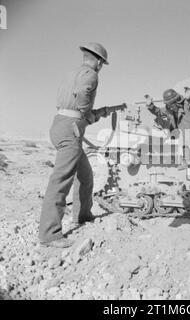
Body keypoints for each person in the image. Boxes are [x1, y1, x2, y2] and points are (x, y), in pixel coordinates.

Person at [39, 42, 110, 248]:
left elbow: (75, 105)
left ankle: (83, 215)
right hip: (70, 130)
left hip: (62, 124)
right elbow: (82, 96)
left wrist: (94, 113)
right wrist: (88, 111)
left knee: (85, 175)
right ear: (98, 61)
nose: (101, 67)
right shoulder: (90, 74)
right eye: (102, 63)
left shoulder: (73, 73)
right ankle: (49, 234)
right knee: (61, 181)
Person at [145, 88, 190, 179]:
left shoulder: (188, 105)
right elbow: (159, 112)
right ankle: (187, 160)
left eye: (171, 104)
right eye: (168, 104)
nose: (170, 107)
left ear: (177, 101)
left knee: (188, 139)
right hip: (185, 134)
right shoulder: (169, 109)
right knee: (177, 136)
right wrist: (150, 105)